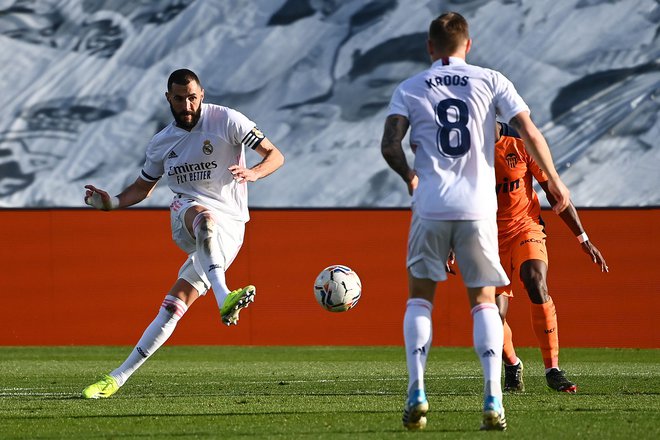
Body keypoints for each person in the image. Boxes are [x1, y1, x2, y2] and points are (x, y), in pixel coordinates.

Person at [381, 12, 570, 431]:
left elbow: (390, 145)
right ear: (469, 45)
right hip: (479, 208)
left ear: (430, 48)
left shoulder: (410, 88)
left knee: (420, 299)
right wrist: (556, 183)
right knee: (485, 302)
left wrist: (411, 177)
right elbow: (529, 132)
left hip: (430, 205)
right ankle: (492, 399)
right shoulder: (490, 79)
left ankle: (417, 389)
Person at [81, 68, 284, 399]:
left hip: (232, 227)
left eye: (192, 97)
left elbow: (275, 156)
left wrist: (253, 173)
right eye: (179, 99)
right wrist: (112, 203)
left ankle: (116, 378)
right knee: (203, 219)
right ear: (168, 98)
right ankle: (224, 296)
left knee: (173, 306)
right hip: (187, 212)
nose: (187, 105)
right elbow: (142, 188)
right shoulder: (162, 143)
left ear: (202, 94)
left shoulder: (229, 121)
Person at [492, 121, 608, 393]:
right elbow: (456, 200)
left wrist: (584, 238)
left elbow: (555, 192)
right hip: (487, 237)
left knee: (535, 280)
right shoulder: (465, 151)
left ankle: (553, 369)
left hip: (525, 227)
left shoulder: (520, 143)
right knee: (493, 316)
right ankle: (512, 365)